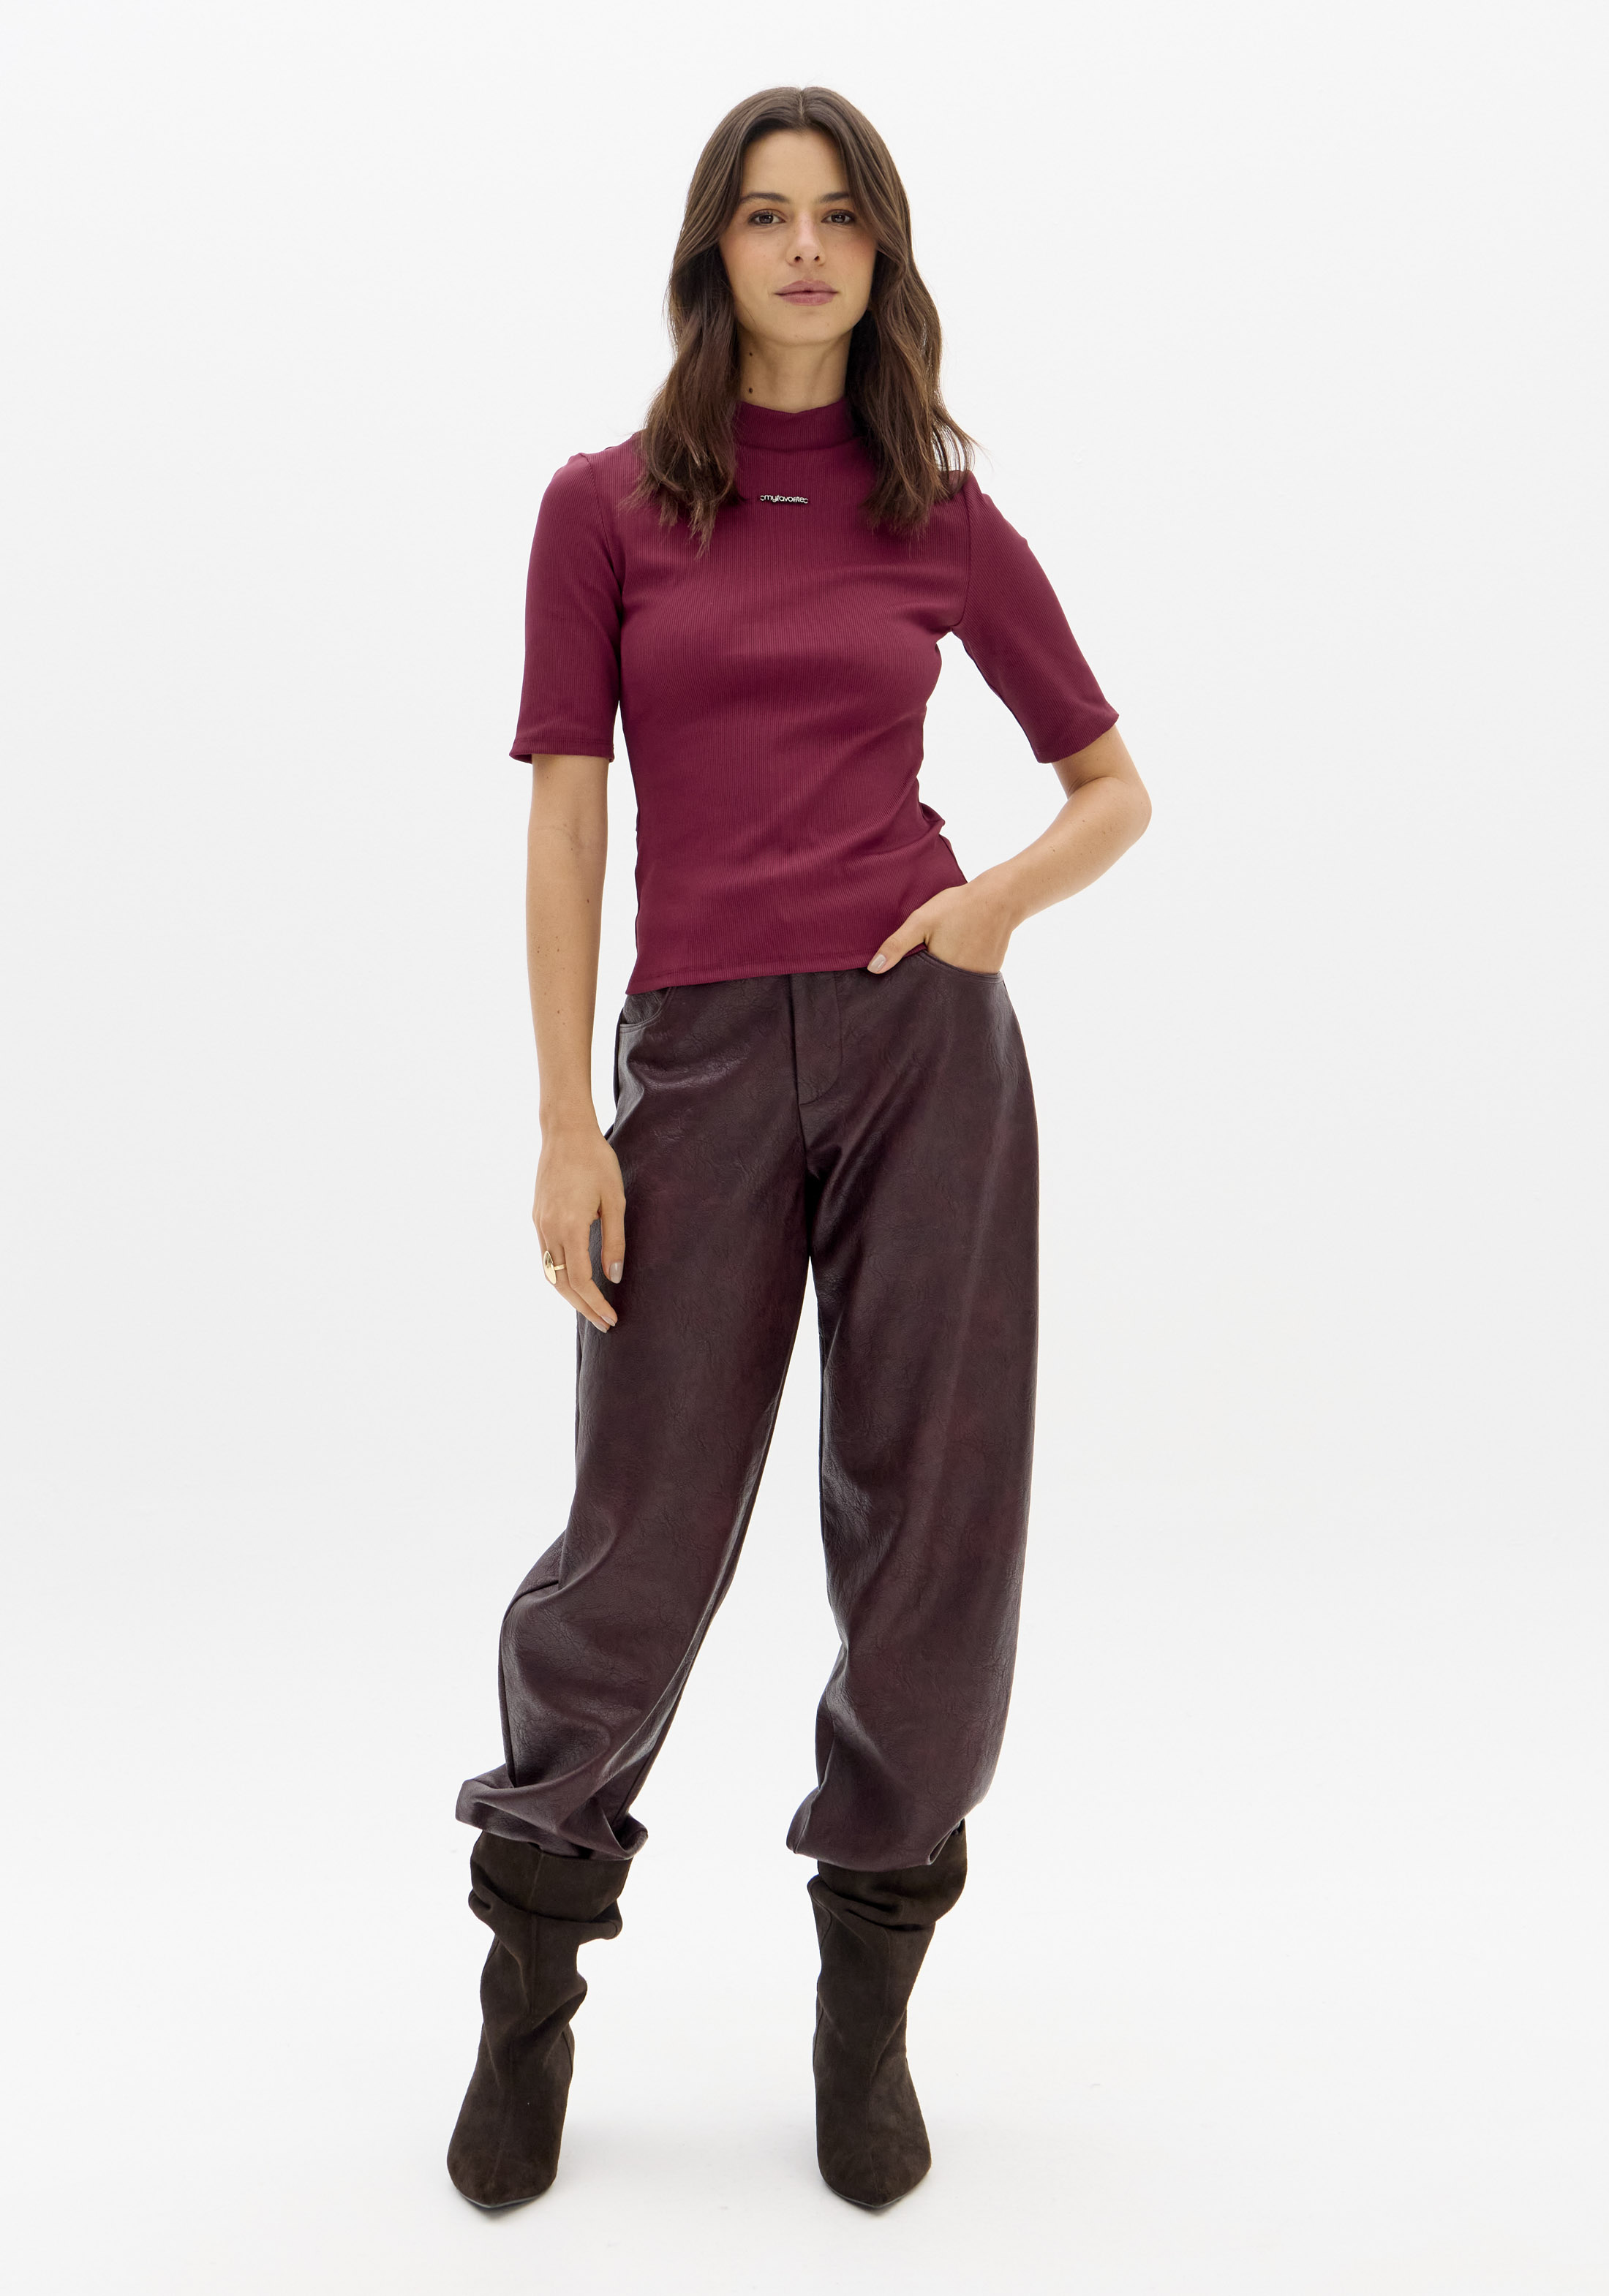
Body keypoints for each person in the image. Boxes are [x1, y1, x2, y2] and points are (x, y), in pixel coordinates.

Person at [447, 83, 1151, 2214]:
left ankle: (869, 2000)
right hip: (695, 1060)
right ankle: (529, 1984)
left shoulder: (940, 509)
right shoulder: (602, 508)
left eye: (839, 215)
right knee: (641, 1528)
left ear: (881, 254)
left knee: (933, 1519)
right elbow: (569, 813)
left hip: (921, 1039)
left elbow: (1112, 785)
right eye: (767, 215)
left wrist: (988, 911)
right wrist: (565, 1118)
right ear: (715, 253)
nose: (807, 248)